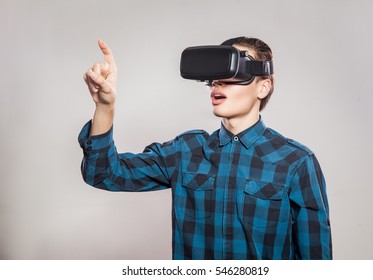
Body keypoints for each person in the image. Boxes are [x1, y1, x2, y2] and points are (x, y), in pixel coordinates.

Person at [78, 36, 332, 260]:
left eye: (232, 75)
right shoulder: (186, 151)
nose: (217, 84)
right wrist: (104, 107)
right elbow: (102, 173)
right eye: (214, 77)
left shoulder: (295, 162)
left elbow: (316, 262)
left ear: (263, 87)